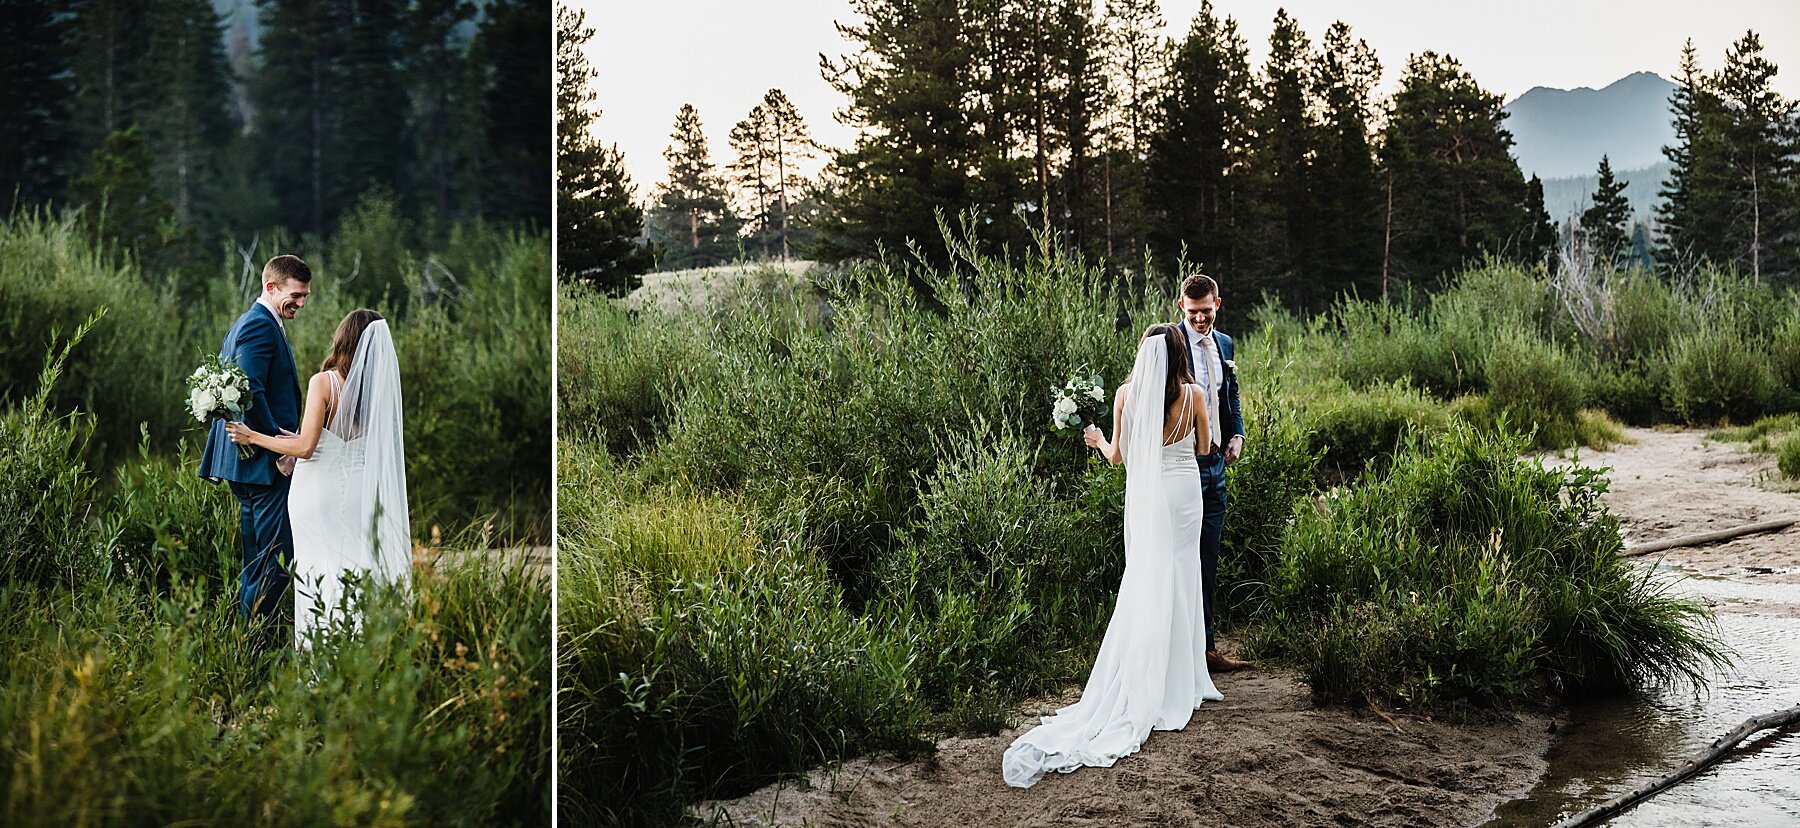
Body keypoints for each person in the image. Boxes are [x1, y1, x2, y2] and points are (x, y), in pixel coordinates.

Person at [1002, 324, 1223, 788]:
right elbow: (1205, 449)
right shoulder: (1195, 396)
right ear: (1179, 353)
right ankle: (1189, 678)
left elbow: (1118, 458)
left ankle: (1154, 677)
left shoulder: (1126, 395)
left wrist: (1098, 439)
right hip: (1185, 494)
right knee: (1184, 574)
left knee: (1150, 576)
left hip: (1151, 496)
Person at [228, 309, 411, 647]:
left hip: (319, 494)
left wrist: (251, 436)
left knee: (318, 570)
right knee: (356, 567)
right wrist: (284, 437)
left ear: (343, 339)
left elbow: (307, 447)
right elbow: (329, 439)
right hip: (359, 492)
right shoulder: (378, 393)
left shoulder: (324, 382)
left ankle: (321, 661)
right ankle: (360, 649)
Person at [198, 254, 310, 645]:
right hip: (263, 466)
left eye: (305, 296)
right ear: (272, 287)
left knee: (257, 564)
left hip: (249, 466)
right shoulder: (260, 327)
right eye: (295, 295)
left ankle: (241, 648)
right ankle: (253, 649)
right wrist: (280, 449)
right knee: (276, 563)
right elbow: (252, 390)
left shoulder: (253, 323)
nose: (301, 303)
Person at [1175, 272, 1251, 673]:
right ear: (1181, 309)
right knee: (1180, 558)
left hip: (1218, 464)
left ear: (1217, 305)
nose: (1200, 320)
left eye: (1206, 312)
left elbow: (1230, 394)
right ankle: (1182, 653)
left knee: (1208, 557)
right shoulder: (1170, 345)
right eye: (1193, 314)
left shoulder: (1225, 343)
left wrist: (1237, 433)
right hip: (1184, 465)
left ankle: (1206, 649)